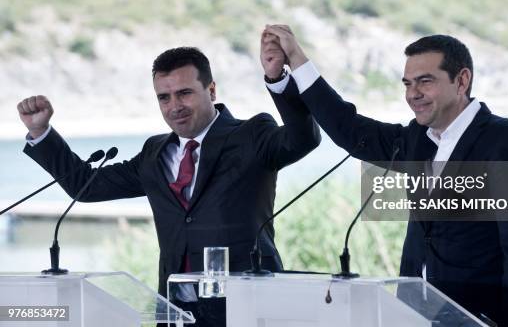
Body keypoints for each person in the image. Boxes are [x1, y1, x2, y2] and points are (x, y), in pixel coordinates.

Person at [261, 25, 508, 327]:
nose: (413, 94)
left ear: (462, 80)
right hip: (416, 317)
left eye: (425, 82)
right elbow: (349, 129)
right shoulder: (417, 139)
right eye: (408, 83)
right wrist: (293, 63)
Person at [17, 46, 321, 327]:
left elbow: (303, 138)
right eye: (164, 97)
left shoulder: (251, 135)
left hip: (248, 310)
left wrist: (276, 78)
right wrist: (41, 131)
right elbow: (85, 186)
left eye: (184, 93)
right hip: (176, 314)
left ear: (211, 90)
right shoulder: (154, 153)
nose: (174, 106)